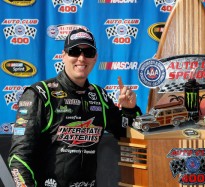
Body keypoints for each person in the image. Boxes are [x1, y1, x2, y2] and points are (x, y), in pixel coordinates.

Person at [8, 28, 142, 187]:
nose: (81, 58)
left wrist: (129, 110)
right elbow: (18, 157)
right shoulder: (40, 94)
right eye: (75, 51)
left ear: (95, 58)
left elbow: (128, 135)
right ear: (63, 56)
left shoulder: (99, 96)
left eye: (88, 53)